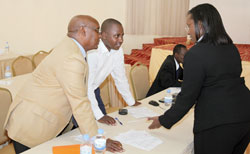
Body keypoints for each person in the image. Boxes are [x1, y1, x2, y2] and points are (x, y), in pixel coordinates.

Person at [4, 15, 123, 153]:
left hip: (41, 120)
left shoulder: (72, 48)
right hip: (32, 125)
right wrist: (98, 139)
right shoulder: (72, 57)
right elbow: (80, 103)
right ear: (83, 31)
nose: (100, 36)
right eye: (97, 31)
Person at [148, 3, 250, 154]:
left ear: (200, 25)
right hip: (245, 116)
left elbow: (188, 97)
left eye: (189, 25)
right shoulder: (231, 48)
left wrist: (163, 120)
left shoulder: (195, 54)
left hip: (217, 123)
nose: (188, 31)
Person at [87, 18, 141, 125]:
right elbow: (86, 86)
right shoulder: (92, 52)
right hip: (80, 91)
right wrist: (99, 116)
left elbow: (120, 78)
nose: (121, 40)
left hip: (93, 90)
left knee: (104, 125)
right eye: (117, 36)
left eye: (122, 35)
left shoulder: (117, 50)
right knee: (83, 125)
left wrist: (131, 102)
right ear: (103, 35)